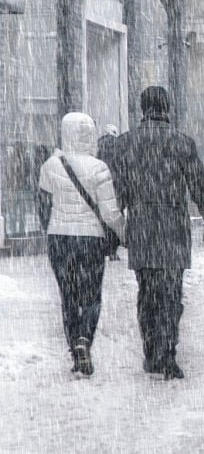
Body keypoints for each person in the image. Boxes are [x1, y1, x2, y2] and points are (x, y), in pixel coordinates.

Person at [110, 86, 204, 380]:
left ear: (142, 108)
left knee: (147, 290)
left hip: (143, 228)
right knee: (171, 292)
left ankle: (151, 350)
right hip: (172, 228)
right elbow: (200, 184)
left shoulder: (125, 144)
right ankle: (168, 351)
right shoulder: (181, 142)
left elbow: (117, 192)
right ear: (167, 107)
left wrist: (112, 232)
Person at [38, 113, 125, 375]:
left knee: (68, 296)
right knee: (91, 296)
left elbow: (43, 206)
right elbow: (110, 213)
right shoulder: (99, 168)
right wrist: (123, 232)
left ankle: (74, 346)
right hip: (91, 240)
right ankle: (84, 340)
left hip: (60, 239)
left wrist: (52, 229)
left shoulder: (50, 165)